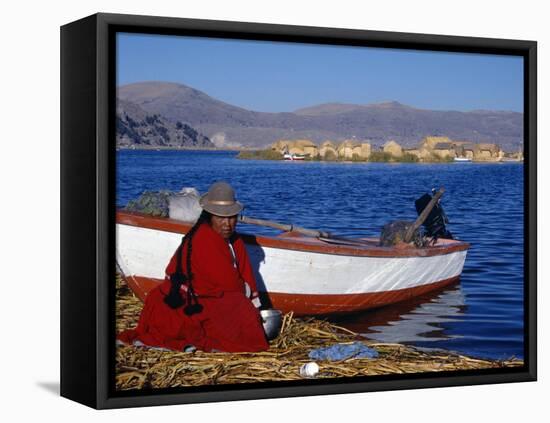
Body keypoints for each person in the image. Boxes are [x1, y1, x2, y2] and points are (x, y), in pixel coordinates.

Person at [117, 181, 269, 353]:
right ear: (209, 216)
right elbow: (229, 284)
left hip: (209, 295)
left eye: (231, 217)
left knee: (244, 307)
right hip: (187, 299)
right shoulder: (204, 238)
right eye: (221, 218)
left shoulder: (235, 241)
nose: (227, 224)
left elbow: (245, 274)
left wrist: (257, 306)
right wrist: (247, 302)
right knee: (241, 308)